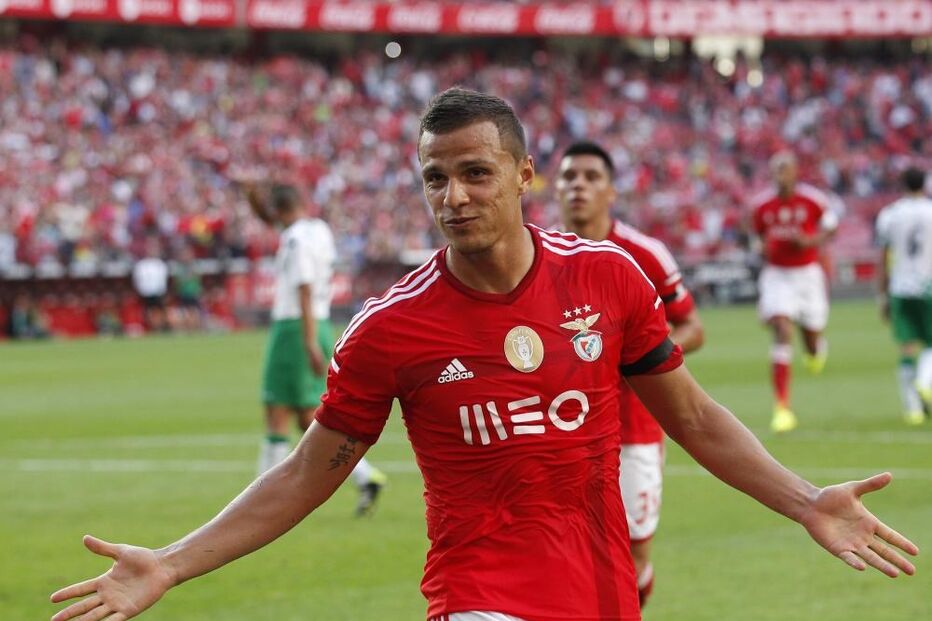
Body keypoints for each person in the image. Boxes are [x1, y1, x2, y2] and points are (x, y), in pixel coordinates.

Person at [51, 89, 917, 621]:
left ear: (524, 174)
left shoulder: (610, 278)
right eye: (435, 177)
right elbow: (308, 472)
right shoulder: (389, 328)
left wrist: (806, 501)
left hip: (602, 594)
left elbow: (692, 416)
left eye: (474, 172)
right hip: (478, 596)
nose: (453, 195)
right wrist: (172, 561)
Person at [555, 141, 704, 606]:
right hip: (558, 430)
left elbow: (692, 327)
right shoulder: (532, 257)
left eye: (591, 177)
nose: (578, 186)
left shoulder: (644, 253)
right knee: (563, 558)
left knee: (633, 557)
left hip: (633, 429)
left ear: (611, 191)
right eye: (569, 176)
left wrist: (635, 357)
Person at [246, 182, 387, 516]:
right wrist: (253, 196)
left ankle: (258, 503)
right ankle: (366, 476)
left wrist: (308, 341)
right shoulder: (318, 230)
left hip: (295, 327)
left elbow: (305, 288)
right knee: (308, 417)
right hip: (317, 323)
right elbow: (275, 219)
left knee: (276, 413)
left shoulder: (295, 240)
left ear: (280, 212)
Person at [750, 151, 838, 433]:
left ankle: (815, 350)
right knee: (782, 328)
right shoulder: (762, 206)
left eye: (785, 169)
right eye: (777, 170)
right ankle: (782, 408)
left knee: (811, 339)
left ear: (795, 172)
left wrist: (811, 241)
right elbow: (755, 237)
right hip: (777, 274)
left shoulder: (813, 200)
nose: (782, 175)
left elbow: (831, 227)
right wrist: (759, 247)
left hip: (808, 274)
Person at [876, 166, 932, 426]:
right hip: (928, 285)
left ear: (902, 184)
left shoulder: (890, 214)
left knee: (906, 346)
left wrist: (882, 295)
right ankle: (924, 381)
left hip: (900, 287)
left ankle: (913, 409)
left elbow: (883, 258)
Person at [131, 238, 170, 333]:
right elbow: (138, 279)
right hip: (146, 292)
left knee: (159, 310)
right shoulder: (141, 264)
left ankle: (159, 327)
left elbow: (163, 279)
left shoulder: (160, 264)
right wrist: (141, 290)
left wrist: (162, 291)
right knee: (148, 311)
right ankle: (150, 327)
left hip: (158, 292)